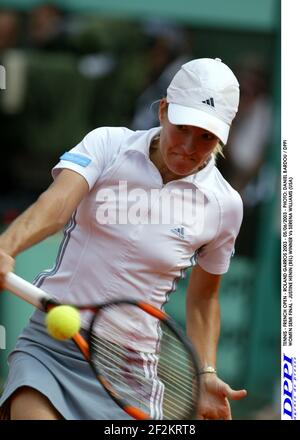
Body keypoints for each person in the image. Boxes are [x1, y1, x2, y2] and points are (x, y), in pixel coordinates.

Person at [0, 58, 247, 420]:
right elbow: (55, 208)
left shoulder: (225, 205)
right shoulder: (107, 144)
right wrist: (6, 247)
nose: (189, 147)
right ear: (163, 111)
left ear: (222, 136)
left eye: (206, 137)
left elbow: (204, 299)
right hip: (52, 346)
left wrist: (205, 372)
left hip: (130, 370)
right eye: (183, 128)